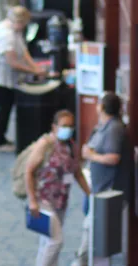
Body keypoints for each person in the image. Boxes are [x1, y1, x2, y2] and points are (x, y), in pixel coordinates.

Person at [71, 92, 131, 266]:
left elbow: (113, 158)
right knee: (91, 228)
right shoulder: (103, 126)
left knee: (95, 231)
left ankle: (81, 260)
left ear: (103, 107)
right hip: (99, 186)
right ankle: (82, 259)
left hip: (108, 190)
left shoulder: (114, 129)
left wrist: (91, 155)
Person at [26, 110, 90, 266]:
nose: (67, 129)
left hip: (61, 201)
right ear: (54, 127)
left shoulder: (71, 146)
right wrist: (32, 201)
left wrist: (90, 194)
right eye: (64, 126)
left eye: (70, 126)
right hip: (43, 200)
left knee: (47, 241)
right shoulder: (45, 144)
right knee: (56, 241)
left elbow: (77, 173)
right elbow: (29, 171)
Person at [0, 6, 44, 152]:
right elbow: (13, 63)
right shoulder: (6, 35)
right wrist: (34, 70)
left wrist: (35, 67)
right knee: (5, 108)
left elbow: (24, 50)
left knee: (6, 108)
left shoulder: (13, 29)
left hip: (5, 77)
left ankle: (0, 137)